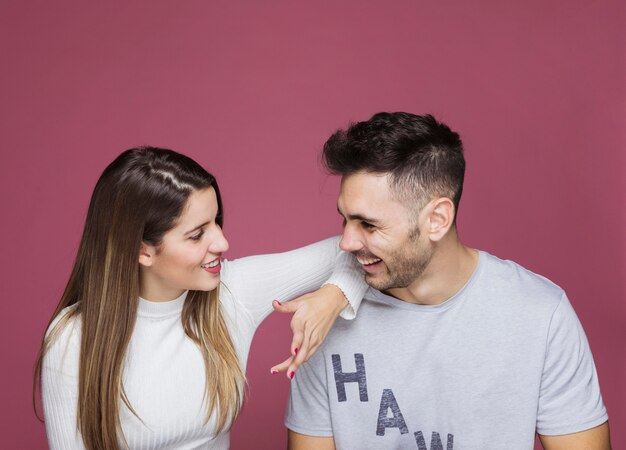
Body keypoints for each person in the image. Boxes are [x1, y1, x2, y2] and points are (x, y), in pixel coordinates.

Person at [286, 112, 611, 450]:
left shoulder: (541, 314)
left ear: (437, 219)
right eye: (345, 220)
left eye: (368, 225)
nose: (346, 243)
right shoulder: (324, 322)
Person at [34, 147, 367, 450]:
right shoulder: (73, 338)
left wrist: (332, 298)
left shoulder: (234, 293)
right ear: (142, 250)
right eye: (197, 234)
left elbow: (363, 247)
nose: (221, 243)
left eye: (216, 222)